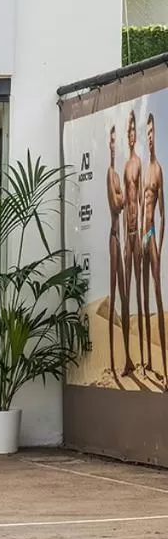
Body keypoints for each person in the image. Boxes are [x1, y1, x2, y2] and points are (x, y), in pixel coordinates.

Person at [144, 113, 166, 379]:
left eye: (152, 132)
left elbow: (162, 213)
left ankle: (163, 364)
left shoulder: (157, 169)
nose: (149, 137)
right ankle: (148, 360)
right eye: (146, 132)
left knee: (158, 297)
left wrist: (159, 243)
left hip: (151, 232)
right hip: (141, 234)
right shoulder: (144, 170)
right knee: (145, 298)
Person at [108, 123, 129, 383]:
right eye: (112, 141)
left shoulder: (118, 177)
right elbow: (118, 204)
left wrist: (122, 198)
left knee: (123, 298)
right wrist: (121, 197)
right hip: (113, 238)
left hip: (121, 236)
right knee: (114, 297)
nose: (114, 145)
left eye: (117, 141)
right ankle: (113, 360)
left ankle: (126, 358)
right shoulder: (110, 173)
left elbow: (122, 201)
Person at [124, 109, 144, 378]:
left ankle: (142, 358)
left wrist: (145, 236)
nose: (130, 136)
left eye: (132, 131)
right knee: (127, 295)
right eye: (127, 131)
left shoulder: (139, 163)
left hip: (139, 233)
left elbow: (138, 200)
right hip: (125, 234)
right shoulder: (124, 166)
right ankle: (128, 358)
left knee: (140, 293)